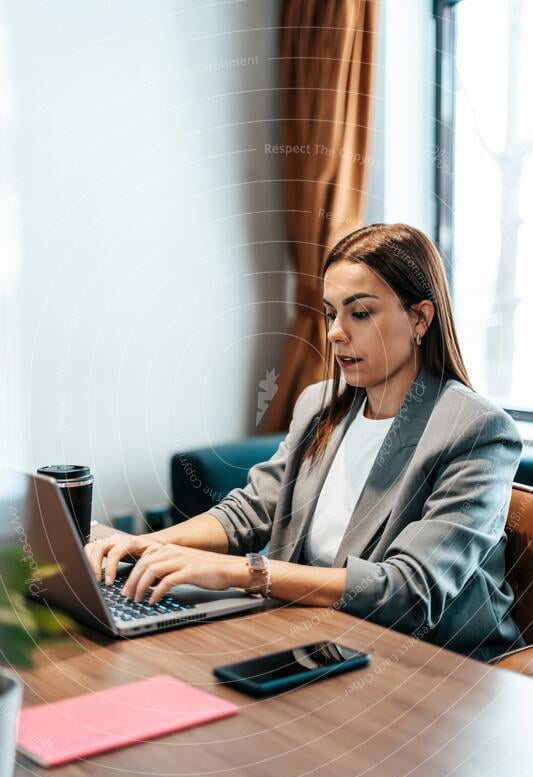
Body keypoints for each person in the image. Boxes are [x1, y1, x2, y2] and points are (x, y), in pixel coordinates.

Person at [85, 223, 524, 661]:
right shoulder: (320, 406)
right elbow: (253, 509)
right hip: (321, 642)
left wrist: (246, 572)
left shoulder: (477, 431)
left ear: (419, 318)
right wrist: (153, 545)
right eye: (331, 313)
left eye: (361, 313)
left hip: (437, 671)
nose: (335, 333)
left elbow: (409, 592)